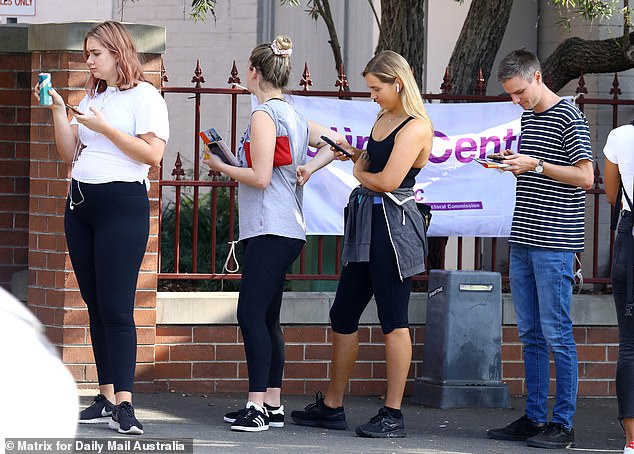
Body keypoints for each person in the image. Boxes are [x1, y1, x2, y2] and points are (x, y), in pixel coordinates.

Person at [33, 21, 169, 435]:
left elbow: (154, 156)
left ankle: (125, 404)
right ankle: (106, 394)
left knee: (116, 307)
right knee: (94, 303)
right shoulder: (96, 94)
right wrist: (60, 110)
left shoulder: (145, 96)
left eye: (95, 54)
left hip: (121, 206)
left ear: (117, 52)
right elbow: (69, 151)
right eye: (87, 53)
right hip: (81, 204)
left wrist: (106, 129)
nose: (88, 61)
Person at [290, 50, 433, 438]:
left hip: (392, 228)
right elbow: (375, 167)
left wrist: (356, 169)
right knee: (343, 315)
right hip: (367, 226)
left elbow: (387, 182)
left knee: (393, 320)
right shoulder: (384, 117)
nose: (372, 95)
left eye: (376, 88)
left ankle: (393, 414)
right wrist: (356, 155)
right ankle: (333, 406)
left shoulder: (417, 125)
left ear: (397, 83)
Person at [204, 35, 342, 433]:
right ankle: (274, 404)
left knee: (250, 313)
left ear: (255, 72)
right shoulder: (294, 115)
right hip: (287, 228)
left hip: (270, 227)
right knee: (267, 317)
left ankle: (256, 407)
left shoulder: (264, 116)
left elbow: (260, 177)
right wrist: (310, 168)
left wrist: (221, 166)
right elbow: (339, 143)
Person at [485, 49, 593, 449]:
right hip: (525, 239)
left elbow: (585, 176)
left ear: (537, 77)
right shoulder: (529, 117)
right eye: (511, 95)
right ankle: (534, 417)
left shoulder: (567, 116)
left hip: (554, 243)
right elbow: (535, 166)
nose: (516, 100)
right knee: (530, 333)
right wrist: (509, 163)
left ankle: (562, 424)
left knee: (557, 333)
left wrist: (536, 165)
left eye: (518, 92)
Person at [603, 122, 634, 454]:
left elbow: (613, 195)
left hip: (630, 237)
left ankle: (631, 439)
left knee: (630, 346)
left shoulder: (621, 136)